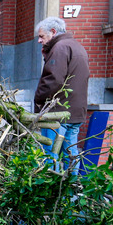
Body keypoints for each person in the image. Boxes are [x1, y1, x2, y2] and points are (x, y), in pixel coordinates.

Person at [33, 16, 89, 173]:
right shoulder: (78, 47)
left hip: (57, 113)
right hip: (76, 112)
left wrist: (38, 99)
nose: (39, 41)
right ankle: (70, 193)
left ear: (53, 32)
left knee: (50, 154)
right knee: (71, 154)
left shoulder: (60, 48)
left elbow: (53, 79)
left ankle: (50, 190)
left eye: (41, 36)